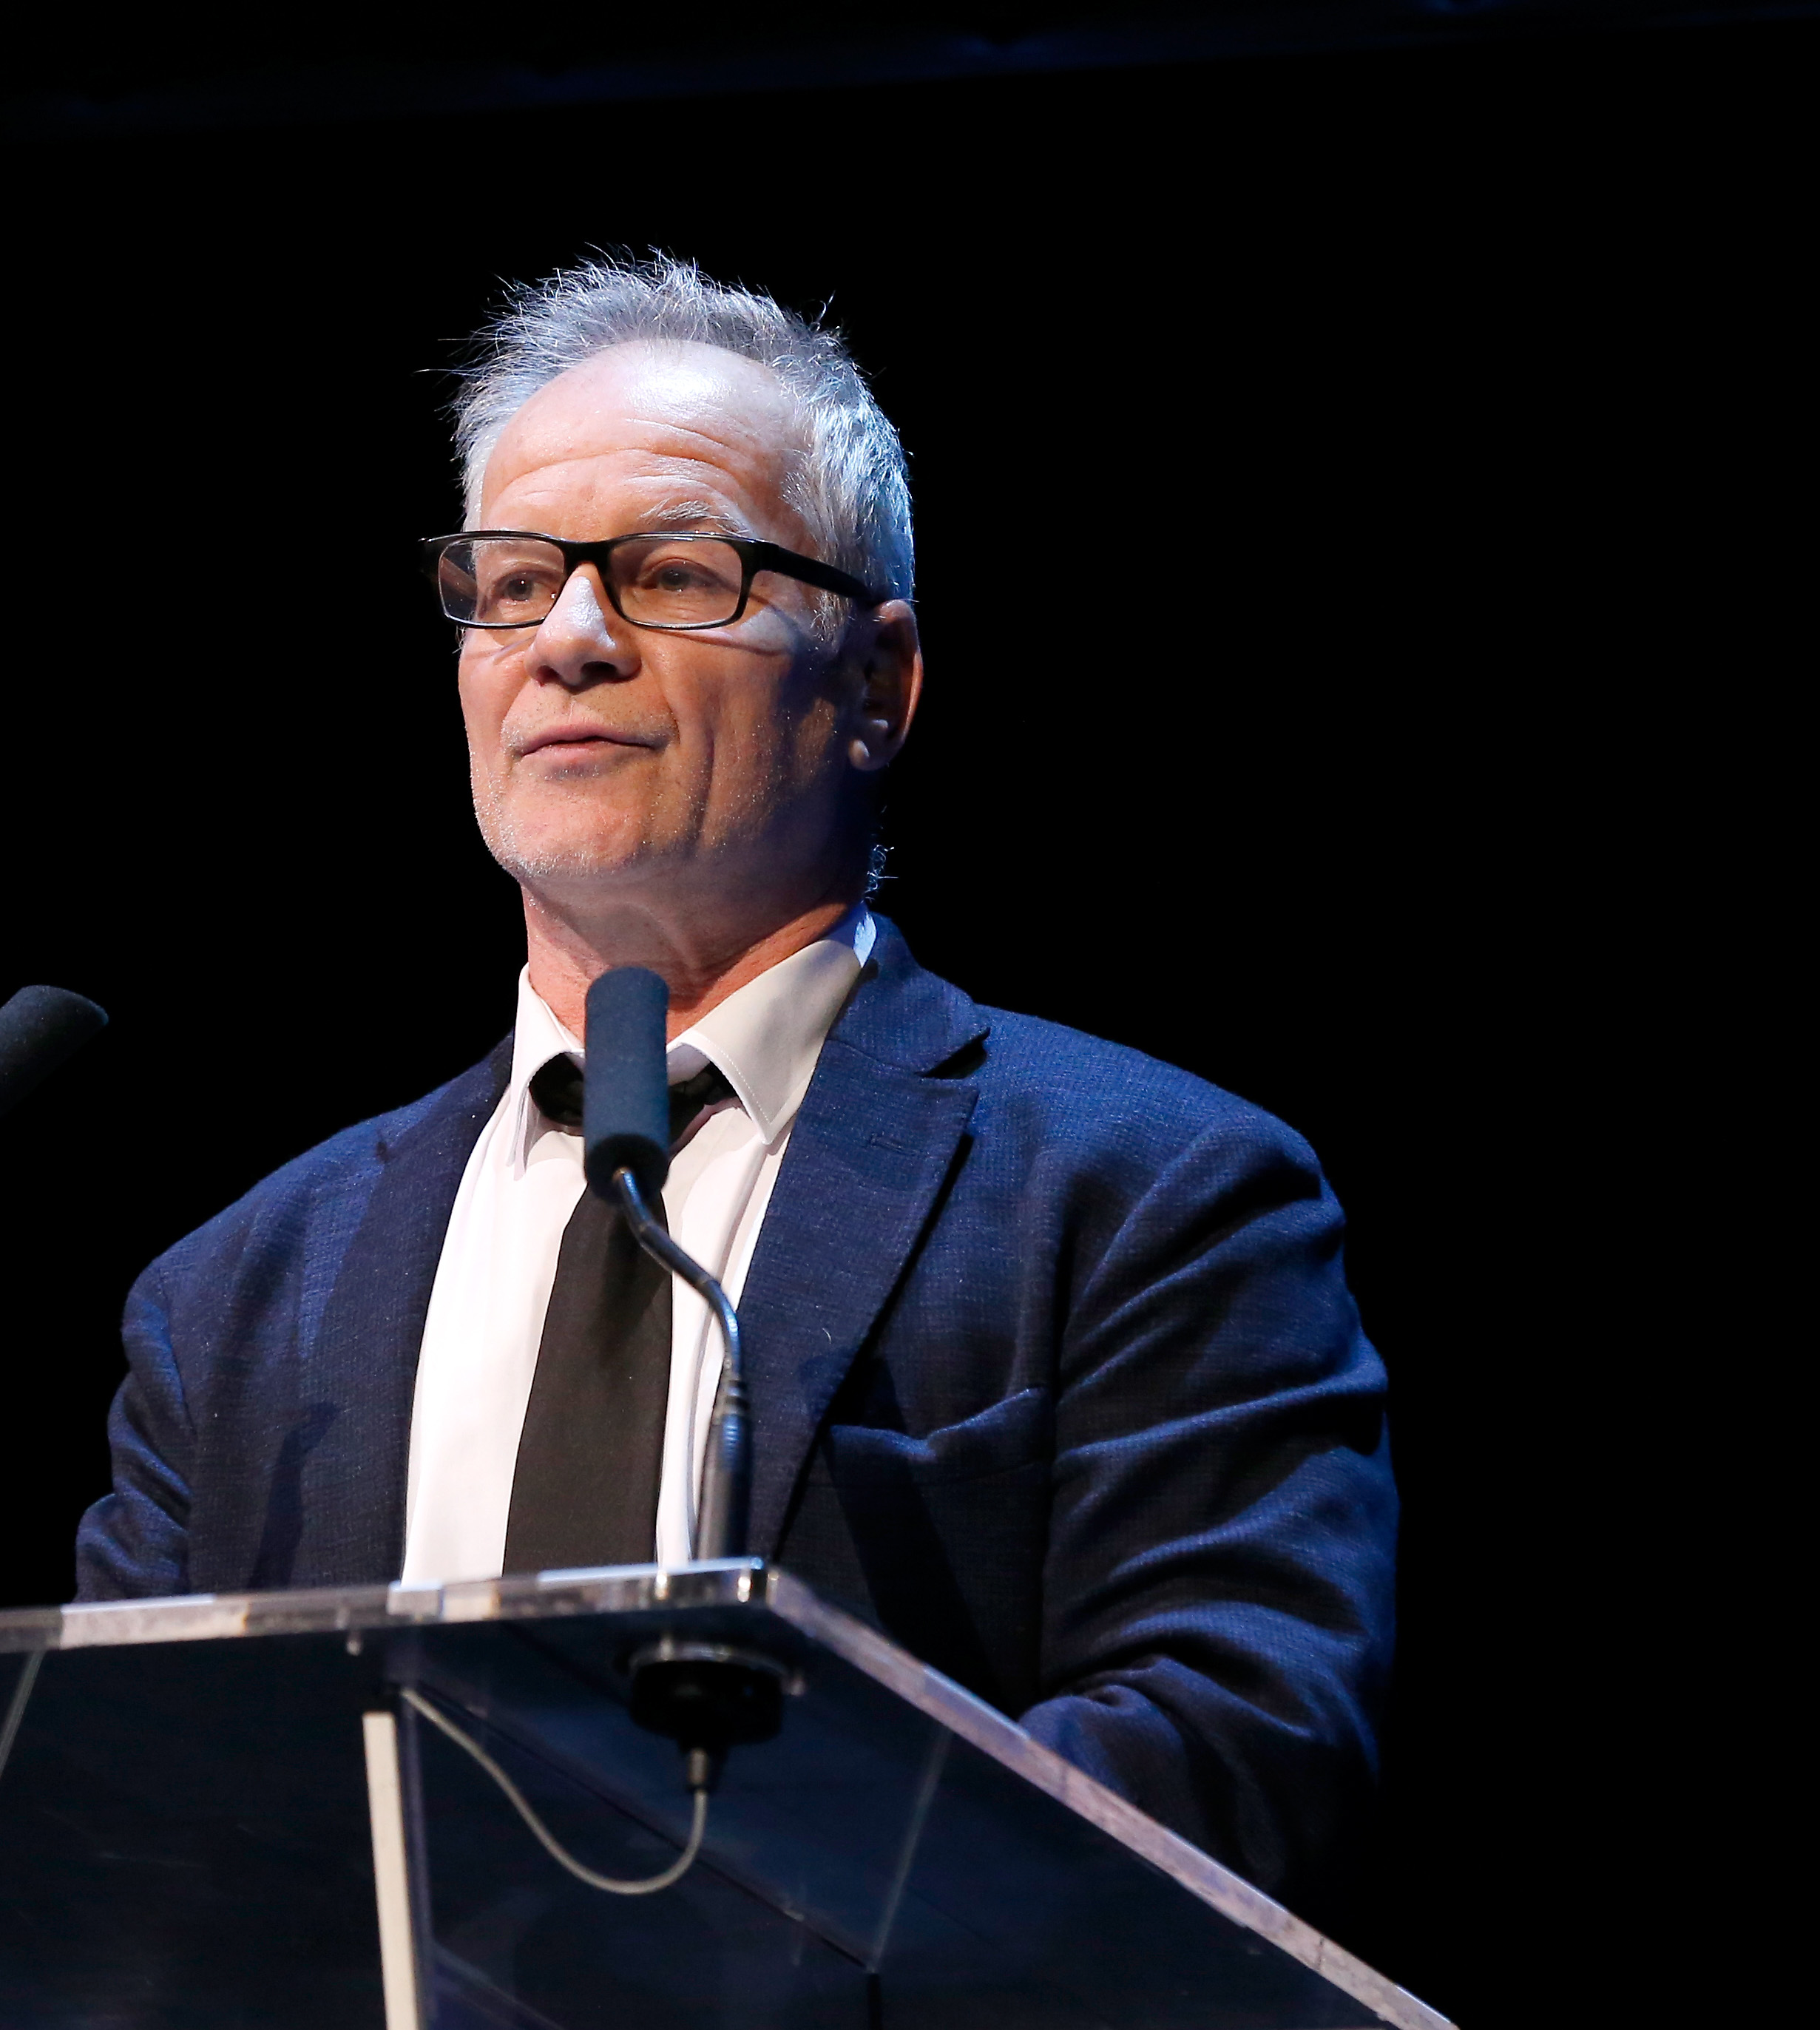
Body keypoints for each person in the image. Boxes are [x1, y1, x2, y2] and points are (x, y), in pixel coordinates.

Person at [72, 254, 1395, 1904]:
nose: (565, 637)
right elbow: (108, 1831)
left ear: (873, 686)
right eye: (506, 580)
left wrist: (693, 1908)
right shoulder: (234, 1297)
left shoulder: (1149, 1195)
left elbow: (1235, 1750)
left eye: (672, 572)